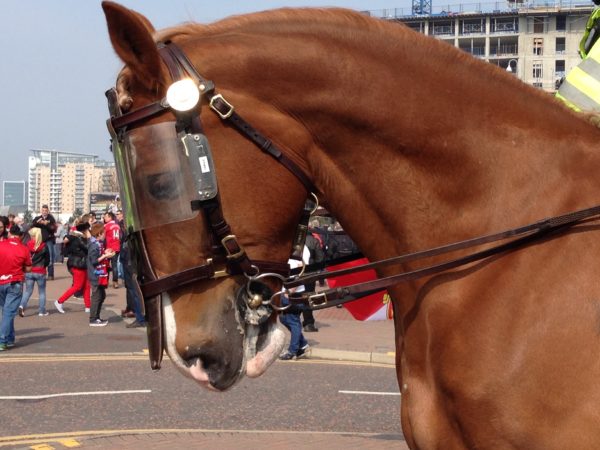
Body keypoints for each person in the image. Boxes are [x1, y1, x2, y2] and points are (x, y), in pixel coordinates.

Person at [0, 225, 32, 350]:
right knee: (9, 312)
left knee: (6, 311)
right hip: (14, 281)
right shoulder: (23, 249)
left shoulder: (1, 245)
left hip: (1, 281)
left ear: (9, 234)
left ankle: (9, 338)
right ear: (21, 236)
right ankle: (2, 339)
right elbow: (29, 268)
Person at [279, 247, 310, 360]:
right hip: (284, 291)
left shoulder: (302, 248)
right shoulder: (289, 244)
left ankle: (293, 351)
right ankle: (303, 344)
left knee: (293, 321)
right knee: (284, 319)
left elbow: (301, 270)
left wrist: (291, 290)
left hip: (294, 292)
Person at [56, 222, 91, 313]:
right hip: (78, 264)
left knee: (87, 285)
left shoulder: (75, 236)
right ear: (84, 230)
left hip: (81, 263)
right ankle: (59, 301)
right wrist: (89, 238)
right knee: (77, 286)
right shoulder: (79, 238)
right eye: (88, 229)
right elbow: (88, 248)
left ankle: (88, 306)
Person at [87, 222, 115, 327]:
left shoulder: (97, 244)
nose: (105, 235)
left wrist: (105, 253)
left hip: (98, 274)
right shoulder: (94, 245)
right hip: (96, 275)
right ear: (99, 233)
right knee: (97, 296)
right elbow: (94, 261)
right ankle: (93, 319)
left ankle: (96, 317)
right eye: (104, 233)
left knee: (101, 295)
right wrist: (105, 256)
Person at [18, 227, 50, 317]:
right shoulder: (44, 245)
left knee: (28, 291)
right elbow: (48, 260)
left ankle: (21, 305)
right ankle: (42, 311)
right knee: (42, 292)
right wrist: (45, 266)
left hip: (29, 270)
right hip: (40, 271)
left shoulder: (27, 244)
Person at [302, 234, 323, 332]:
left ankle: (294, 320)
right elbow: (320, 258)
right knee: (308, 297)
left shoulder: (294, 238)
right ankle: (308, 322)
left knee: (295, 297)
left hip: (295, 272)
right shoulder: (314, 241)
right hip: (309, 273)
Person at [32, 205, 57, 280]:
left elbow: (53, 228)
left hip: (49, 240)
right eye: (43, 210)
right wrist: (41, 222)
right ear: (41, 211)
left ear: (48, 211)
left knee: (50, 258)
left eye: (46, 210)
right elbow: (34, 223)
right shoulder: (38, 218)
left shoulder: (51, 219)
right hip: (40, 240)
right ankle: (41, 274)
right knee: (40, 257)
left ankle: (50, 275)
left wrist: (47, 224)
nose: (44, 212)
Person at [103, 211, 121, 289]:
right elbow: (121, 236)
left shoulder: (106, 226)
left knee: (106, 266)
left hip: (108, 248)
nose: (104, 218)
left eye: (106, 217)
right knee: (114, 266)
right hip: (116, 248)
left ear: (110, 217)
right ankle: (115, 282)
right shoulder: (117, 226)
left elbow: (103, 238)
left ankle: (105, 282)